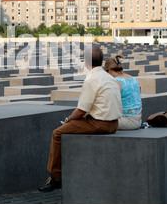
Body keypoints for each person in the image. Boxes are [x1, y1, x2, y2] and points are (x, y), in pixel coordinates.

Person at [38, 45, 123, 192]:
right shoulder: (109, 78)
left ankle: (56, 177)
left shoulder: (91, 80)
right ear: (102, 61)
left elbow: (81, 111)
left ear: (86, 62)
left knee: (57, 133)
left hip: (99, 124)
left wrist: (68, 119)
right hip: (114, 124)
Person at [104, 55, 142, 130]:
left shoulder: (116, 82)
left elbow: (109, 104)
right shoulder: (133, 79)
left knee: (94, 122)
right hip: (138, 120)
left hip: (126, 121)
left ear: (109, 71)